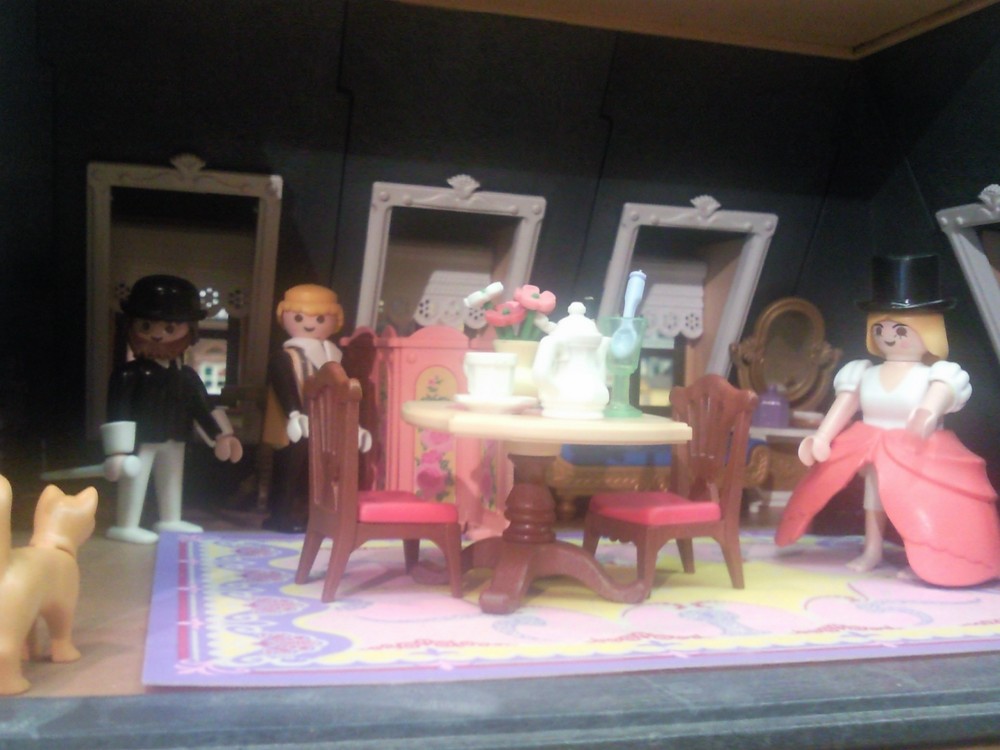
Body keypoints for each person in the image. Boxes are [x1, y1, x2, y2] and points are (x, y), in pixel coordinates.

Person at [776, 254, 1000, 586]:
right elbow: (844, 405)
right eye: (880, 329)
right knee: (874, 501)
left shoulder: (936, 374)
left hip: (916, 451)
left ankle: (917, 556)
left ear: (928, 331)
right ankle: (873, 548)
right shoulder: (863, 373)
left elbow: (937, 399)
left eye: (900, 329)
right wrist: (821, 437)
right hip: (869, 446)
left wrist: (926, 415)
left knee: (912, 504)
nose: (889, 336)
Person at [104, 275, 243, 544]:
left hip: (176, 437)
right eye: (146, 325)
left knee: (172, 479)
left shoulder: (186, 376)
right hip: (141, 441)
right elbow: (118, 411)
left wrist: (221, 435)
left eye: (170, 327)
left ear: (189, 330)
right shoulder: (128, 374)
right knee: (135, 480)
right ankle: (126, 524)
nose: (157, 334)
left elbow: (203, 407)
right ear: (131, 326)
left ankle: (170, 518)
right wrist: (117, 451)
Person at [262, 284, 358, 532]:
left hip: (327, 424)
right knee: (289, 467)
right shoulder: (286, 356)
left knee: (320, 471)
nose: (309, 324)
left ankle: (312, 514)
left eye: (320, 319)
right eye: (299, 318)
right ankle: (279, 515)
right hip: (295, 423)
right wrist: (294, 413)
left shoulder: (335, 355)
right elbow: (283, 385)